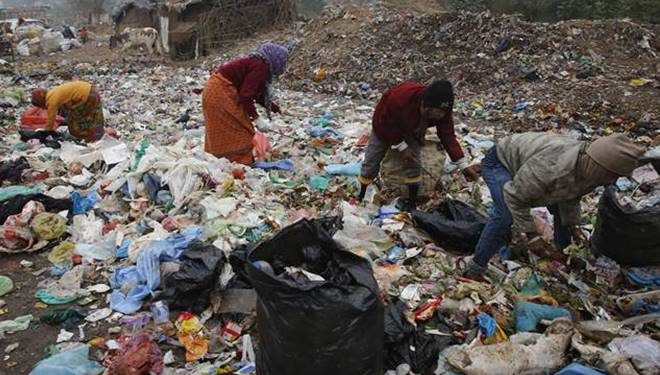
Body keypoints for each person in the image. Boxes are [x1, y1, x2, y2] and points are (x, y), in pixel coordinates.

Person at [464, 132, 645, 280]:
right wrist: (532, 236)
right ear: (600, 166)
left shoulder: (591, 169)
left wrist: (573, 225)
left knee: (562, 215)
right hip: (500, 162)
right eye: (611, 175)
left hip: (529, 166)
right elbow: (515, 196)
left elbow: (571, 197)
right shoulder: (554, 167)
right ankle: (475, 268)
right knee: (505, 215)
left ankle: (561, 256)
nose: (611, 182)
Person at [357, 80, 479, 209]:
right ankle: (361, 196)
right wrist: (402, 147)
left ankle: (412, 203)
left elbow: (447, 135)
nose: (436, 117)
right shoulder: (400, 98)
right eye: (431, 114)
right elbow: (384, 123)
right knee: (372, 160)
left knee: (413, 162)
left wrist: (463, 165)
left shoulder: (443, 111)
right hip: (384, 124)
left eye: (439, 115)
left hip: (413, 127)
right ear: (423, 104)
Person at [202, 42, 288, 164]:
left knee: (227, 127)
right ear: (276, 59)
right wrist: (257, 119)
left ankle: (223, 160)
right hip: (220, 93)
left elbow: (255, 92)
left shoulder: (259, 63)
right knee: (241, 129)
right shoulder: (260, 66)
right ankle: (237, 161)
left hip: (215, 91)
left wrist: (274, 107)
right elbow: (246, 95)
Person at [31, 81, 105, 142]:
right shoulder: (52, 93)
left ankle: (91, 140)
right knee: (94, 116)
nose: (43, 108)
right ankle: (96, 137)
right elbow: (68, 101)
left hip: (87, 97)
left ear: (41, 101)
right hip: (91, 91)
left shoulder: (51, 101)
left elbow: (50, 121)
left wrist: (44, 134)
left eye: (40, 106)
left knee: (82, 120)